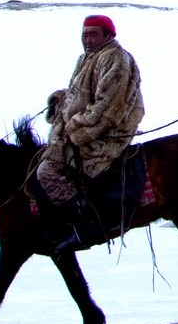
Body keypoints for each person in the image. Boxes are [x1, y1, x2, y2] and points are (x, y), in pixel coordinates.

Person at [37, 13, 144, 253]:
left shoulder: (117, 59)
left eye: (93, 34)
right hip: (85, 127)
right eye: (84, 35)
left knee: (47, 172)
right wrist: (61, 100)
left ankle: (88, 225)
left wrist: (75, 130)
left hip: (106, 133)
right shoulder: (88, 58)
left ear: (108, 35)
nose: (87, 40)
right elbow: (82, 96)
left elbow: (109, 106)